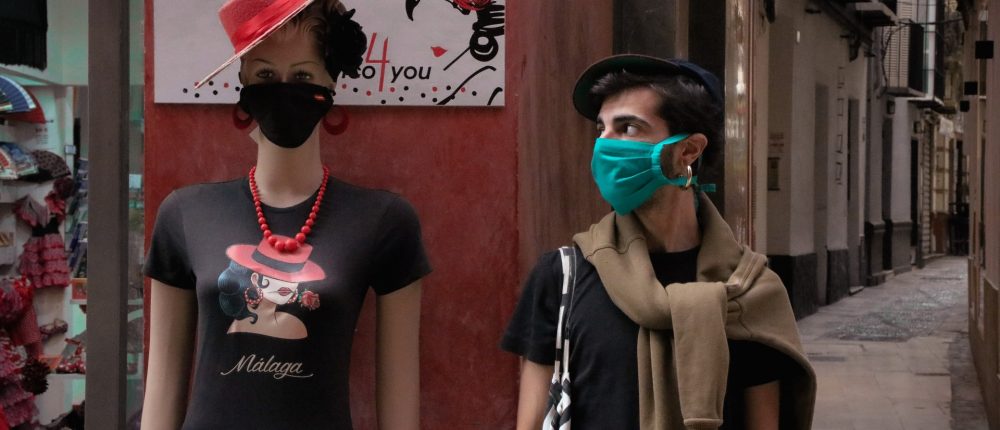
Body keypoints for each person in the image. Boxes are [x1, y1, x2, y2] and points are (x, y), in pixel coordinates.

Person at [141, 1, 431, 428]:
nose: (283, 90)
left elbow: (401, 397)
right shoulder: (185, 214)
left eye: (303, 76)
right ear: (243, 81)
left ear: (331, 81)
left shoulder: (384, 221)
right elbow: (162, 387)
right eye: (264, 75)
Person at [501, 55, 816, 430]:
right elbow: (531, 421)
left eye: (628, 128)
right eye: (601, 128)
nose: (604, 145)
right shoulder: (562, 276)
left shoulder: (749, 293)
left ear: (688, 151)